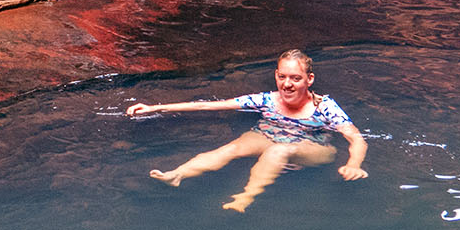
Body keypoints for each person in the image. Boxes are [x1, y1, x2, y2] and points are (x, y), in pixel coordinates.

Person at [126, 49, 368, 212]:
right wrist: (155, 107)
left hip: (312, 146)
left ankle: (245, 197)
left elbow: (357, 139)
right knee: (233, 148)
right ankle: (177, 175)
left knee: (279, 151)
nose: (287, 84)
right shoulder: (266, 100)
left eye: (295, 78)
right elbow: (208, 105)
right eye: (282, 77)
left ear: (309, 79)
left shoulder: (324, 106)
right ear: (276, 75)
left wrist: (354, 164)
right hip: (268, 134)